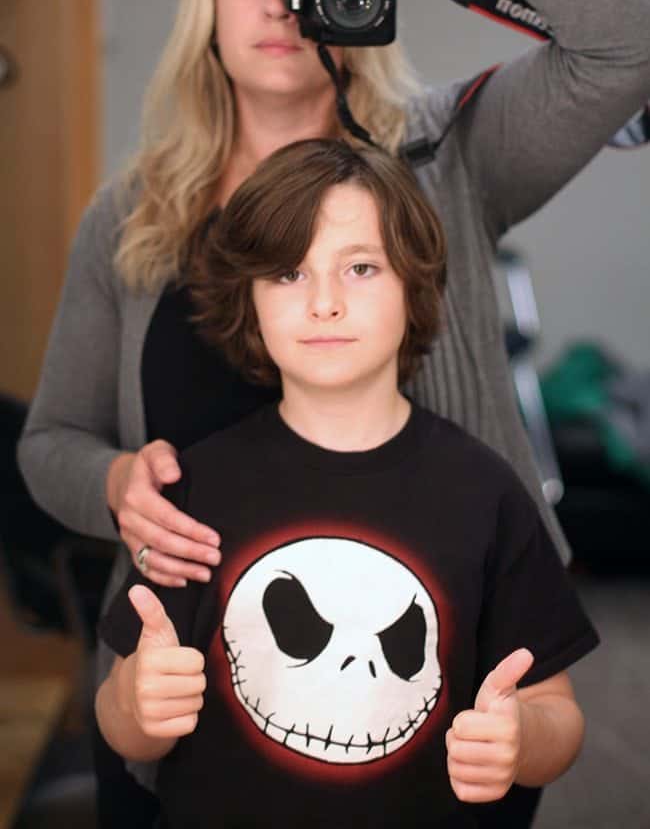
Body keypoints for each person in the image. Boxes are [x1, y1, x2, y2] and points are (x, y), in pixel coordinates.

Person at [17, 0, 650, 826]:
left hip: (432, 706)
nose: (278, 4)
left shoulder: (447, 156)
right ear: (208, 8)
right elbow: (50, 444)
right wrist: (113, 486)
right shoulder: (132, 217)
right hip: (174, 702)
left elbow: (624, 40)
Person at [95, 138, 599, 829]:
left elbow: (556, 711)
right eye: (288, 274)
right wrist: (136, 704)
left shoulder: (486, 492)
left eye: (360, 267)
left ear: (414, 284)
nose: (325, 302)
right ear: (249, 300)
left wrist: (521, 739)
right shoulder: (197, 486)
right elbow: (122, 719)